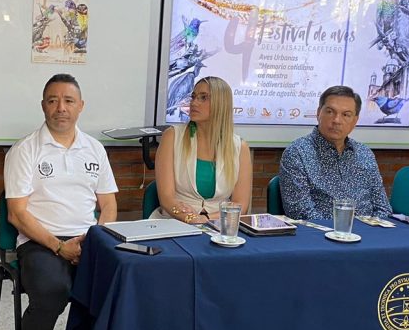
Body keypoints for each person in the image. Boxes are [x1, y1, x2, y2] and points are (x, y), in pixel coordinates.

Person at [3, 74, 117, 330]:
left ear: (81, 106)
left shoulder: (94, 148)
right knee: (54, 288)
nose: (61, 108)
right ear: (43, 106)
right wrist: (59, 246)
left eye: (68, 101)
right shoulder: (25, 150)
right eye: (53, 100)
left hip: (89, 238)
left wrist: (95, 239)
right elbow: (17, 215)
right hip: (40, 241)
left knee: (119, 284)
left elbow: (109, 205)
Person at [279, 85, 391, 220]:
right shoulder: (297, 153)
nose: (337, 120)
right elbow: (300, 212)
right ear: (318, 113)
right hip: (320, 231)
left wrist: (370, 229)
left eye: (346, 115)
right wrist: (341, 230)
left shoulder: (365, 154)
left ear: (355, 121)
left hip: (369, 231)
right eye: (330, 112)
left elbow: (383, 208)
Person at [153, 76, 252, 223]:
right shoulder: (172, 136)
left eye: (203, 98)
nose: (194, 103)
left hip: (219, 224)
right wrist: (190, 218)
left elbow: (240, 204)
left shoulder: (239, 147)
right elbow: (167, 199)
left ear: (220, 104)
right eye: (193, 97)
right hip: (175, 222)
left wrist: (205, 219)